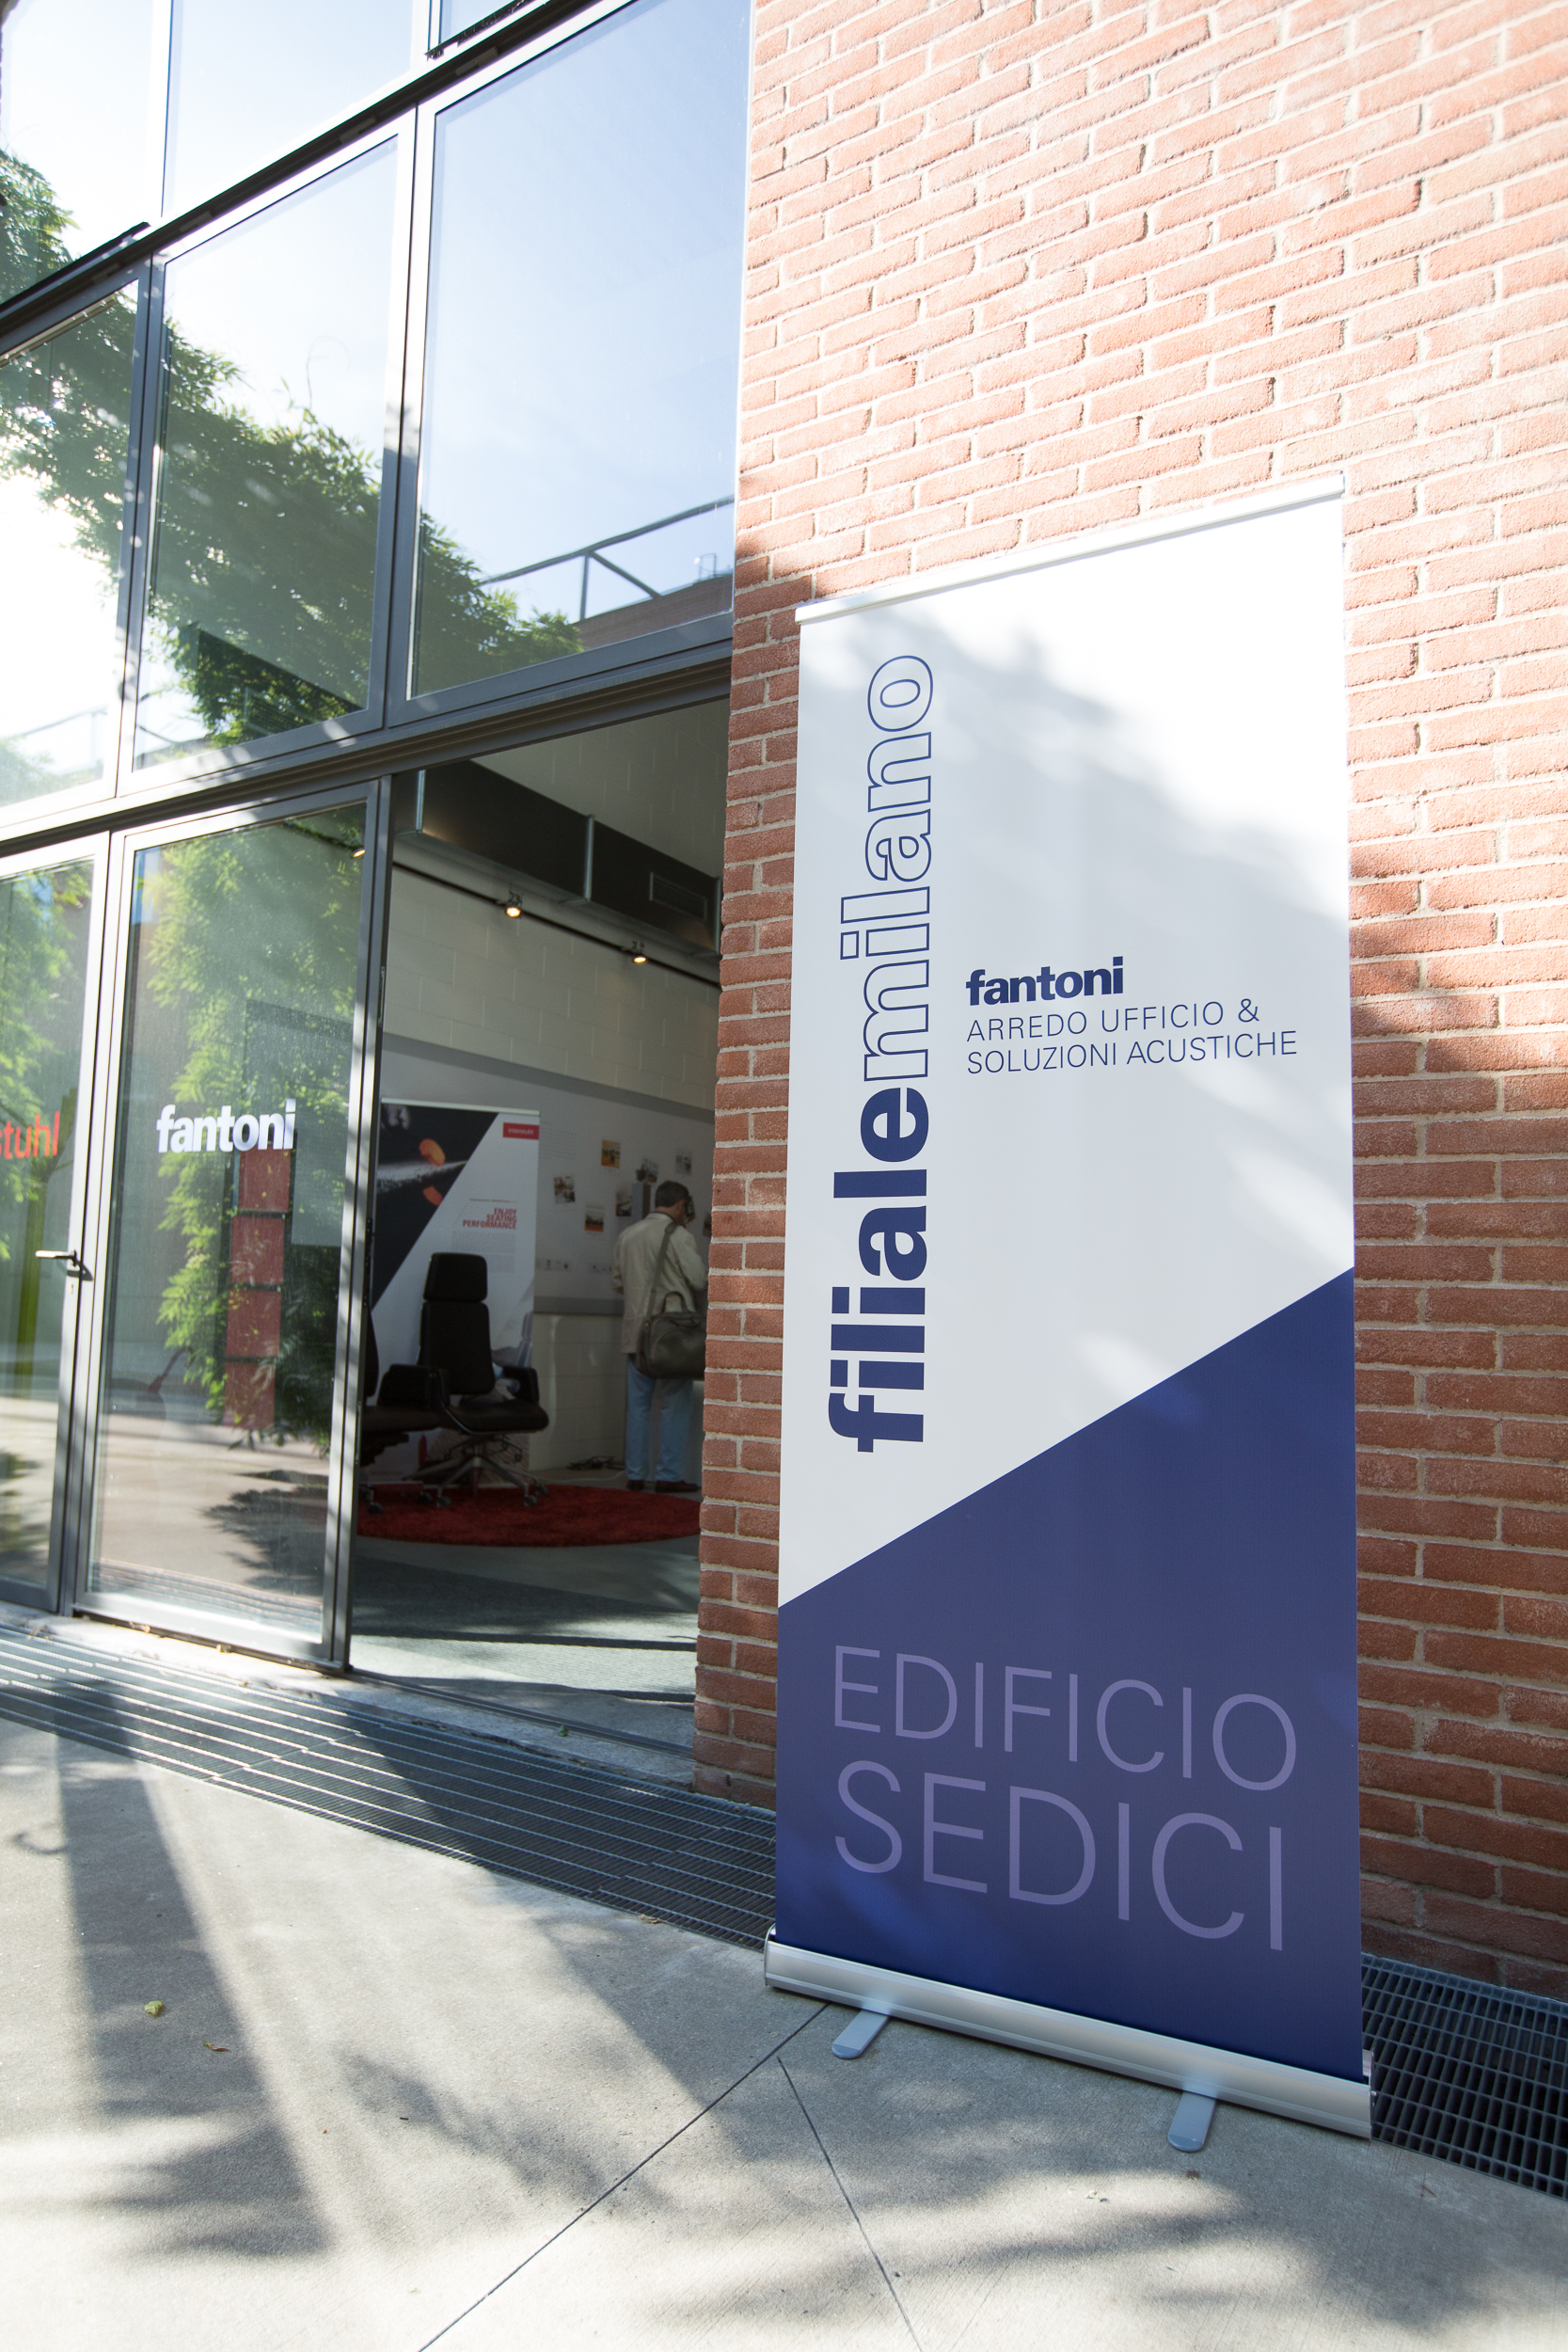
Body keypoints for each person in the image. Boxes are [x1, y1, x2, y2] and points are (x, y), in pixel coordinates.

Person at [610, 1179, 706, 1493]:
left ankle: (636, 1475)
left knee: (637, 1407)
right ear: (680, 1205)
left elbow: (617, 1282)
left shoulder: (628, 1234)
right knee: (674, 1405)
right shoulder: (678, 1235)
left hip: (636, 1334)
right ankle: (668, 1476)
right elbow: (698, 1279)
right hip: (670, 1336)